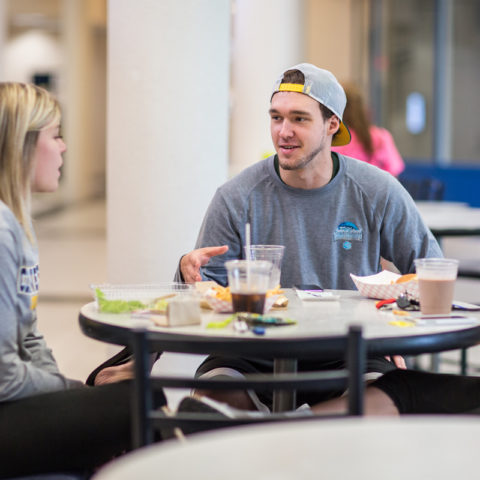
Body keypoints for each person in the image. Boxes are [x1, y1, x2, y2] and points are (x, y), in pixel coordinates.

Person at [174, 63, 443, 413]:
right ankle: (295, 432)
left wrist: (393, 324)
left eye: (299, 119)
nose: (283, 131)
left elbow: (432, 272)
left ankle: (285, 432)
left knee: (388, 399)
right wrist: (186, 274)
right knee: (212, 399)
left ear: (332, 125)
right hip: (251, 355)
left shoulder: (377, 191)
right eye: (276, 117)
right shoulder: (237, 196)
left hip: (350, 352)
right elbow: (203, 293)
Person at [0, 82, 166, 478]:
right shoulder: (3, 232)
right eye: (55, 136)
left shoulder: (17, 224)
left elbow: (29, 337)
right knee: (143, 399)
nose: (64, 147)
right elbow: (4, 376)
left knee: (122, 388)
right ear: (21, 146)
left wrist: (73, 389)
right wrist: (73, 391)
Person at [332, 83, 405, 177]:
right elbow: (394, 174)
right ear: (362, 107)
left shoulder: (333, 140)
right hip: (377, 190)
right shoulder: (381, 137)